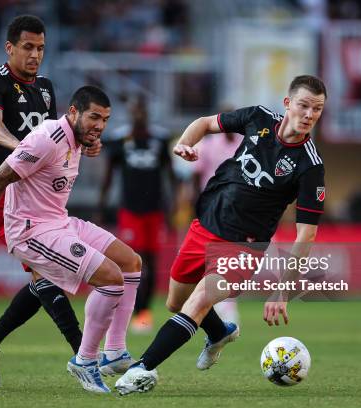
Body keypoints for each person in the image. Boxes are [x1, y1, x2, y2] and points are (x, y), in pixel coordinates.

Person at [115, 75, 327, 395]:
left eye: (317, 109)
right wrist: (185, 143)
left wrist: (282, 290)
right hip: (206, 225)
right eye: (304, 105)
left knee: (199, 300)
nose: (309, 114)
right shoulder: (258, 118)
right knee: (177, 301)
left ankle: (141, 368)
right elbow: (203, 123)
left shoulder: (310, 166)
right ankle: (219, 333)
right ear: (287, 104)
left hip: (244, 245)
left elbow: (306, 235)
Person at [0, 86, 142, 394]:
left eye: (105, 120)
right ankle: (84, 360)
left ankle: (114, 352)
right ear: (72, 112)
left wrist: (90, 143)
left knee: (131, 263)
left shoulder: (78, 138)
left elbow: (82, 143)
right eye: (94, 117)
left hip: (60, 223)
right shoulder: (47, 139)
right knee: (110, 278)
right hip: (31, 231)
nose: (99, 125)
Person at [0, 15, 99, 388]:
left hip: (38, 196)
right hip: (0, 194)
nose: (35, 54)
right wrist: (23, 148)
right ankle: (84, 357)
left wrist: (85, 142)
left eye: (40, 48)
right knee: (46, 273)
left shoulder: (45, 88)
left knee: (49, 274)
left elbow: (58, 137)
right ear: (10, 48)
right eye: (28, 47)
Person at [100, 95, 175, 333]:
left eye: (142, 111)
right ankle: (135, 310)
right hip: (130, 210)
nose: (139, 115)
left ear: (147, 113)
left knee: (151, 263)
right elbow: (109, 173)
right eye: (135, 111)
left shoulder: (160, 140)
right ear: (130, 113)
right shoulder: (119, 140)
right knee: (135, 262)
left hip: (154, 210)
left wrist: (172, 209)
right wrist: (101, 205)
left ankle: (144, 312)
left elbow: (169, 175)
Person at [192, 108, 243, 324]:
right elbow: (196, 175)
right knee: (210, 255)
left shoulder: (244, 143)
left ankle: (227, 303)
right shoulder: (209, 145)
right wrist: (196, 204)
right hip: (212, 204)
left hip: (238, 205)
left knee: (228, 255)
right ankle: (214, 302)